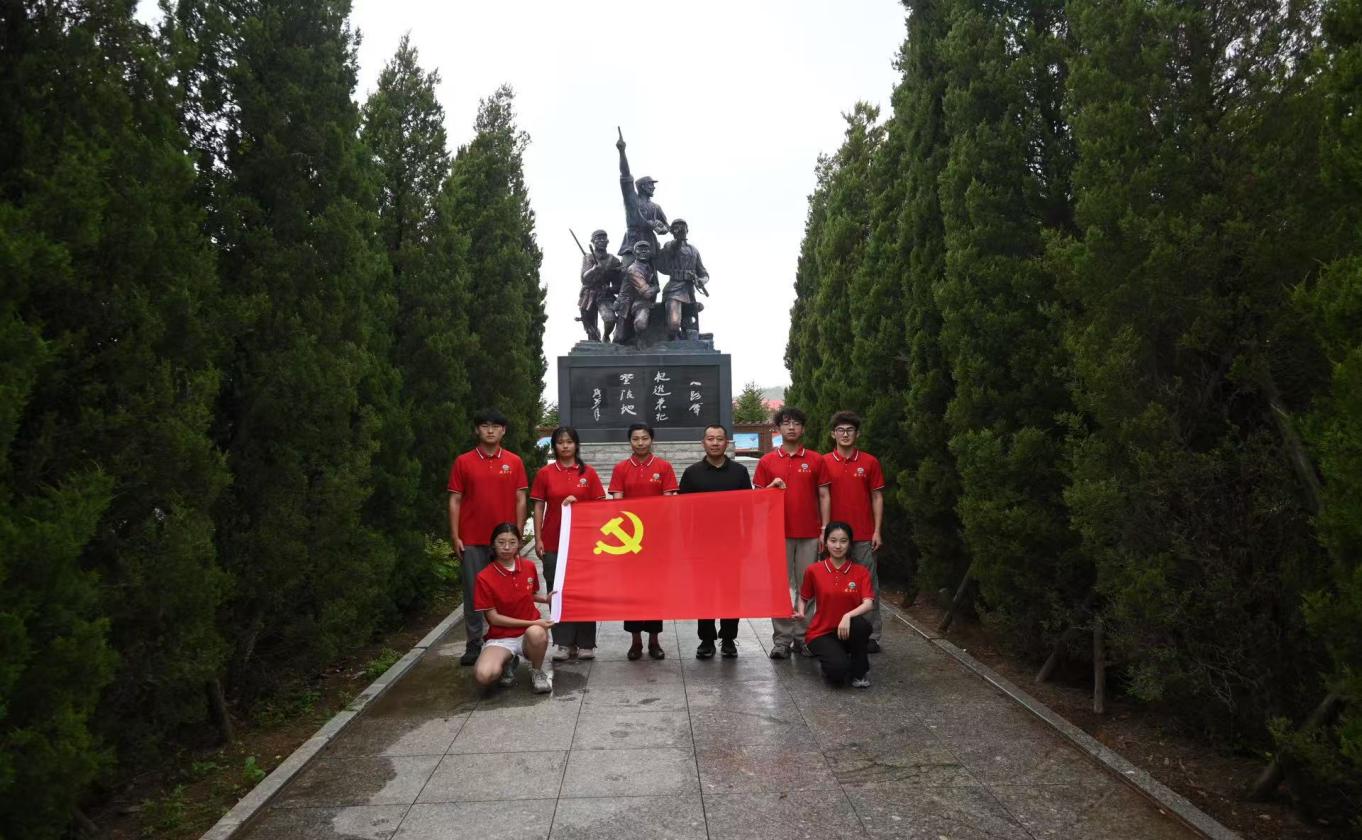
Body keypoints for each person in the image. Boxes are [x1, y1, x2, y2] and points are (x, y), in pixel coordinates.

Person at [448, 409, 529, 666]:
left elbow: (520, 498)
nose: (490, 430)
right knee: (473, 592)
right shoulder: (463, 461)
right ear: (477, 430)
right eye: (484, 426)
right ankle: (474, 643)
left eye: (496, 426)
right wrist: (455, 535)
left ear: (504, 430)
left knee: (507, 593)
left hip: (504, 541)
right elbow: (455, 499)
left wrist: (516, 535)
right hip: (472, 538)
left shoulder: (514, 461)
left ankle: (507, 642)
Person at [753, 407, 830, 660]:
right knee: (780, 587)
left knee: (807, 586)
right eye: (786, 423)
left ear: (803, 428)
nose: (791, 427)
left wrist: (824, 529)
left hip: (809, 533)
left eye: (796, 423)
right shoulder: (767, 461)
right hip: (778, 534)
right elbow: (758, 498)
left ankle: (804, 637)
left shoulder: (816, 460)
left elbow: (824, 495)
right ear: (778, 429)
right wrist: (771, 488)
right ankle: (782, 640)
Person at [531, 426, 607, 662]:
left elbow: (600, 507)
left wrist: (579, 505)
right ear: (554, 446)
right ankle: (563, 643)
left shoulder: (588, 473)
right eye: (560, 442)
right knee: (557, 590)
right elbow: (538, 507)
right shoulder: (545, 473)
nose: (565, 446)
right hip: (553, 542)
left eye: (569, 442)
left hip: (584, 544)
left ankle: (586, 643)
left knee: (585, 591)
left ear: (576, 445)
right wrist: (538, 537)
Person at [678, 424, 752, 659]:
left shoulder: (739, 472)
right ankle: (707, 639)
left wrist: (747, 540)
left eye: (719, 439)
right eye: (710, 439)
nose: (715, 443)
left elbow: (748, 510)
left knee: (731, 592)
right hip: (701, 545)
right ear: (703, 443)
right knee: (704, 593)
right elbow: (683, 512)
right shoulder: (692, 473)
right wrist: (686, 543)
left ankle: (729, 639)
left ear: (726, 442)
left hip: (732, 544)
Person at [609, 422, 678, 659]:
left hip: (656, 540)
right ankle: (635, 641)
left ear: (652, 440)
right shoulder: (621, 468)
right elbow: (617, 504)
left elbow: (668, 502)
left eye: (645, 438)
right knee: (632, 590)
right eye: (636, 439)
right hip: (629, 540)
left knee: (655, 590)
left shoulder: (663, 467)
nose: (640, 443)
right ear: (630, 441)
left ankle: (654, 640)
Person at [823, 411, 887, 652]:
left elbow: (877, 497)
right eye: (840, 430)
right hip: (833, 538)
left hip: (863, 535)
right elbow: (820, 497)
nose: (845, 434)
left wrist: (877, 530)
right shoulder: (823, 462)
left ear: (857, 434)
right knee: (833, 587)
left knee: (868, 586)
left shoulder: (870, 462)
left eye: (850, 430)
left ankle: (871, 635)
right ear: (833, 434)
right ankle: (834, 632)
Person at [472, 523, 555, 693]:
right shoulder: (484, 577)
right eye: (501, 542)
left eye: (512, 542)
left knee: (537, 632)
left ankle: (537, 672)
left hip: (529, 634)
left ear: (519, 544)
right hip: (502, 636)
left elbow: (528, 594)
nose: (506, 547)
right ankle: (507, 661)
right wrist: (533, 622)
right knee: (484, 676)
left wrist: (545, 600)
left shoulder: (529, 566)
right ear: (493, 544)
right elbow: (494, 619)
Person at [793, 522, 874, 687]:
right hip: (821, 633)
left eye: (843, 541)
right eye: (833, 540)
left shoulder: (861, 572)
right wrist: (801, 612)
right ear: (825, 542)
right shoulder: (814, 570)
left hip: (849, 630)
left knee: (861, 626)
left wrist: (847, 616)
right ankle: (835, 659)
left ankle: (859, 672)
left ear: (850, 543)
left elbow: (868, 604)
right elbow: (804, 596)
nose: (838, 546)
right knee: (837, 673)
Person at [615, 131, 669, 265]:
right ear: (643, 186)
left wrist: (663, 229)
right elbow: (625, 174)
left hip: (650, 246)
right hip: (632, 244)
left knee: (650, 275)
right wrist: (622, 152)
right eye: (651, 184)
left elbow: (667, 226)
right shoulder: (632, 200)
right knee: (627, 272)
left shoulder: (656, 207)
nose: (653, 187)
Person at [654, 218, 709, 341]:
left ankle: (682, 340)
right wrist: (677, 237)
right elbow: (674, 247)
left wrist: (702, 281)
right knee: (674, 324)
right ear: (672, 231)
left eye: (683, 227)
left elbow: (704, 273)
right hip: (674, 290)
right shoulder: (670, 246)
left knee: (691, 327)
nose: (680, 230)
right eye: (676, 228)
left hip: (689, 292)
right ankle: (669, 338)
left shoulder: (694, 250)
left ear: (687, 229)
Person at [579, 229, 622, 342]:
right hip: (589, 294)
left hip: (605, 295)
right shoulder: (588, 257)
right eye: (598, 239)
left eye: (604, 238)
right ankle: (594, 340)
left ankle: (606, 336)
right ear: (593, 241)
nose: (601, 241)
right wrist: (593, 270)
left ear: (607, 241)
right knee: (590, 328)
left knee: (610, 320)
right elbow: (584, 279)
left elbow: (618, 286)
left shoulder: (613, 260)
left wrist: (610, 289)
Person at [613, 240, 660, 345]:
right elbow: (647, 293)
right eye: (640, 249)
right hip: (626, 304)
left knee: (641, 324)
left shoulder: (650, 266)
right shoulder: (633, 269)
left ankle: (640, 340)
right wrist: (656, 288)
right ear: (634, 253)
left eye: (646, 249)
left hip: (640, 302)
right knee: (620, 337)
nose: (643, 251)